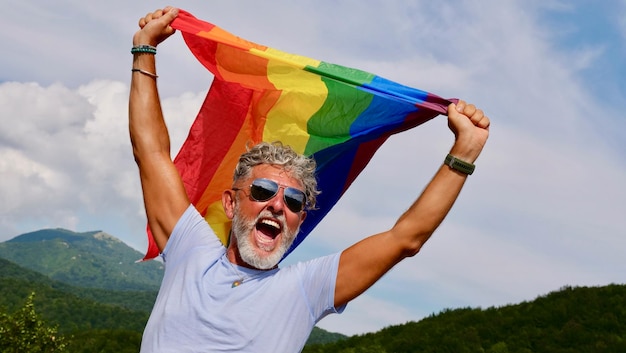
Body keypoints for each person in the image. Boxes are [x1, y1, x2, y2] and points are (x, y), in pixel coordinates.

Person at [130, 7, 490, 353]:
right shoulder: (191, 251)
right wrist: (144, 50)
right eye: (263, 190)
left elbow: (405, 238)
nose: (277, 204)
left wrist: (463, 155)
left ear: (300, 220)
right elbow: (151, 153)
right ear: (231, 201)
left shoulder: (305, 288)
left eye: (293, 202)